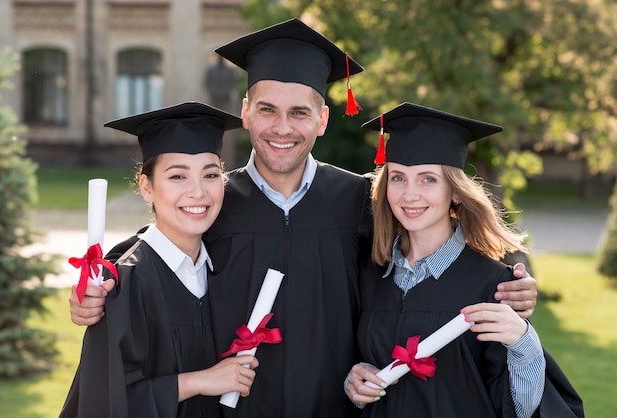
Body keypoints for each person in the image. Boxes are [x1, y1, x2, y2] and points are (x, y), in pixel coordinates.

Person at [68, 18, 539, 418]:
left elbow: (434, 246)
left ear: (323, 120)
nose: (282, 128)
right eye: (268, 110)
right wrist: (97, 290)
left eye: (299, 112)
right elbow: (152, 249)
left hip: (339, 407)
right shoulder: (214, 198)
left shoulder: (361, 199)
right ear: (246, 113)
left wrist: (514, 280)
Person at [345, 102, 547, 417]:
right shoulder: (369, 273)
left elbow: (520, 408)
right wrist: (355, 380)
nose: (410, 194)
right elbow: (353, 359)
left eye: (428, 179)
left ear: (454, 191)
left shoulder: (493, 286)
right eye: (398, 178)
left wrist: (523, 342)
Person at [60, 102, 259, 418]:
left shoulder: (223, 268)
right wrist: (200, 381)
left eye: (211, 174)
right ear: (147, 187)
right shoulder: (124, 284)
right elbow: (107, 402)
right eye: (178, 176)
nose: (198, 192)